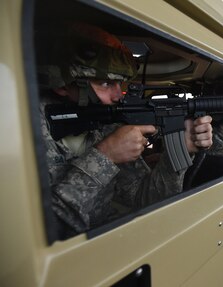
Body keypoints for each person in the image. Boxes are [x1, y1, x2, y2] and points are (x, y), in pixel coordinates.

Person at [38, 22, 213, 237]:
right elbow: (44, 233)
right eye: (105, 83)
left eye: (120, 83)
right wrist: (105, 156)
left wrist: (180, 152)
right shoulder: (22, 128)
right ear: (63, 84)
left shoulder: (106, 124)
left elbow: (144, 200)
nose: (118, 95)